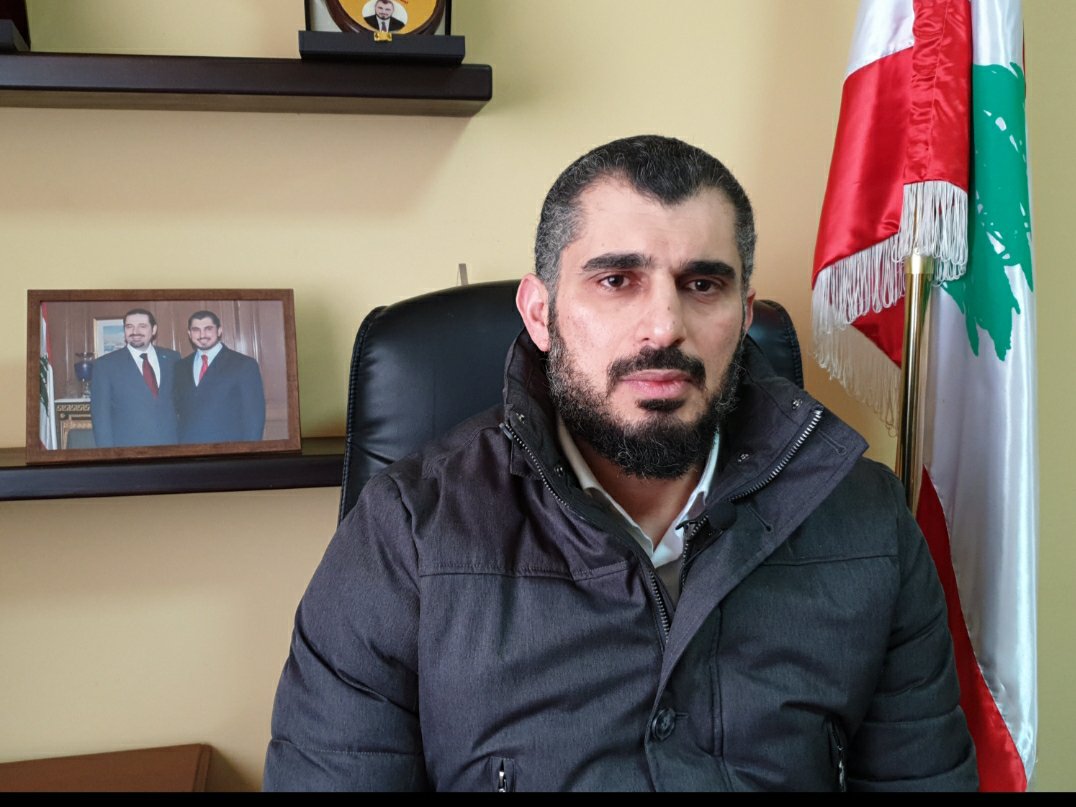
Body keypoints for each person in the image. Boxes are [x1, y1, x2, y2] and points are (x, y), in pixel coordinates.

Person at [263, 135, 978, 791]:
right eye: (616, 281)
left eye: (703, 285)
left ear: (744, 314)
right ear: (539, 314)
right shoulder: (404, 535)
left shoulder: (871, 522)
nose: (664, 326)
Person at [90, 308, 180, 447]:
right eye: (129, 326)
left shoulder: (172, 358)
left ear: (154, 330)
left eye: (142, 326)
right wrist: (107, 454)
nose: (135, 331)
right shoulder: (105, 365)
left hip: (170, 446)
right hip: (128, 449)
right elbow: (101, 418)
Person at [174, 310, 266, 444]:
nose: (202, 335)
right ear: (189, 334)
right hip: (188, 448)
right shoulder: (180, 366)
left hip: (228, 449)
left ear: (219, 331)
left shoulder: (244, 364)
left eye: (208, 329)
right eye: (196, 330)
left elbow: (254, 417)